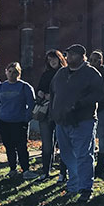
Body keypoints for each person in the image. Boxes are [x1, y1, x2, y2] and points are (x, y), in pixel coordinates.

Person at [50, 44, 104, 202]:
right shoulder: (61, 73)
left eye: (73, 55)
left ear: (82, 57)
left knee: (83, 155)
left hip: (83, 120)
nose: (69, 57)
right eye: (68, 54)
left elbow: (99, 93)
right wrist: (54, 112)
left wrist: (80, 104)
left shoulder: (90, 73)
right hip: (62, 121)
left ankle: (86, 188)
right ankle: (73, 186)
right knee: (67, 156)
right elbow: (53, 92)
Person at [0, 62, 36, 178]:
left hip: (20, 122)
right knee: (9, 147)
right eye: (10, 71)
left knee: (22, 147)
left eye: (15, 72)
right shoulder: (1, 87)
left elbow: (31, 104)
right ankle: (12, 168)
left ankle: (26, 169)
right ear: (6, 72)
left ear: (19, 73)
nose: (12, 74)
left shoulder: (25, 87)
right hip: (4, 122)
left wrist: (26, 119)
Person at [35, 50, 67, 181]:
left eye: (54, 59)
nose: (52, 62)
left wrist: (52, 95)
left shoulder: (65, 73)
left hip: (60, 111)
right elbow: (39, 89)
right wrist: (40, 93)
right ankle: (45, 171)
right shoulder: (46, 74)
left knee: (63, 144)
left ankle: (63, 173)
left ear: (60, 59)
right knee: (47, 144)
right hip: (46, 112)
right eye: (49, 60)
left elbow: (67, 92)